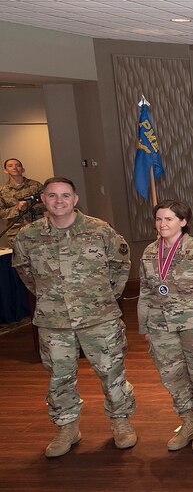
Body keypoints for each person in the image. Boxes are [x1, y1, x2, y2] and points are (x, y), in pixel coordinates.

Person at [12, 177, 137, 457]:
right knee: (59, 376)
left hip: (99, 317)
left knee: (111, 372)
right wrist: (50, 297)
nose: (60, 201)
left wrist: (106, 295)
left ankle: (121, 422)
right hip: (54, 321)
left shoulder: (99, 230)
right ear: (43, 198)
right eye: (53, 196)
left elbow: (120, 263)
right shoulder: (28, 236)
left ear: (75, 199)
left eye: (65, 195)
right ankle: (67, 428)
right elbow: (24, 271)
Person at [137, 200, 193, 451]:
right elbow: (146, 291)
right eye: (159, 219)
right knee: (173, 376)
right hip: (161, 325)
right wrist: (145, 326)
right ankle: (187, 421)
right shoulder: (149, 252)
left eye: (168, 219)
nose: (162, 224)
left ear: (183, 221)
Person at [0, 157, 44, 244]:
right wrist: (17, 209)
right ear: (5, 170)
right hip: (16, 233)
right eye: (10, 166)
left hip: (38, 229)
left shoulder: (36, 185)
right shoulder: (2, 191)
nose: (14, 168)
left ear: (23, 169)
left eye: (18, 165)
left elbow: (48, 204)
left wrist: (29, 208)